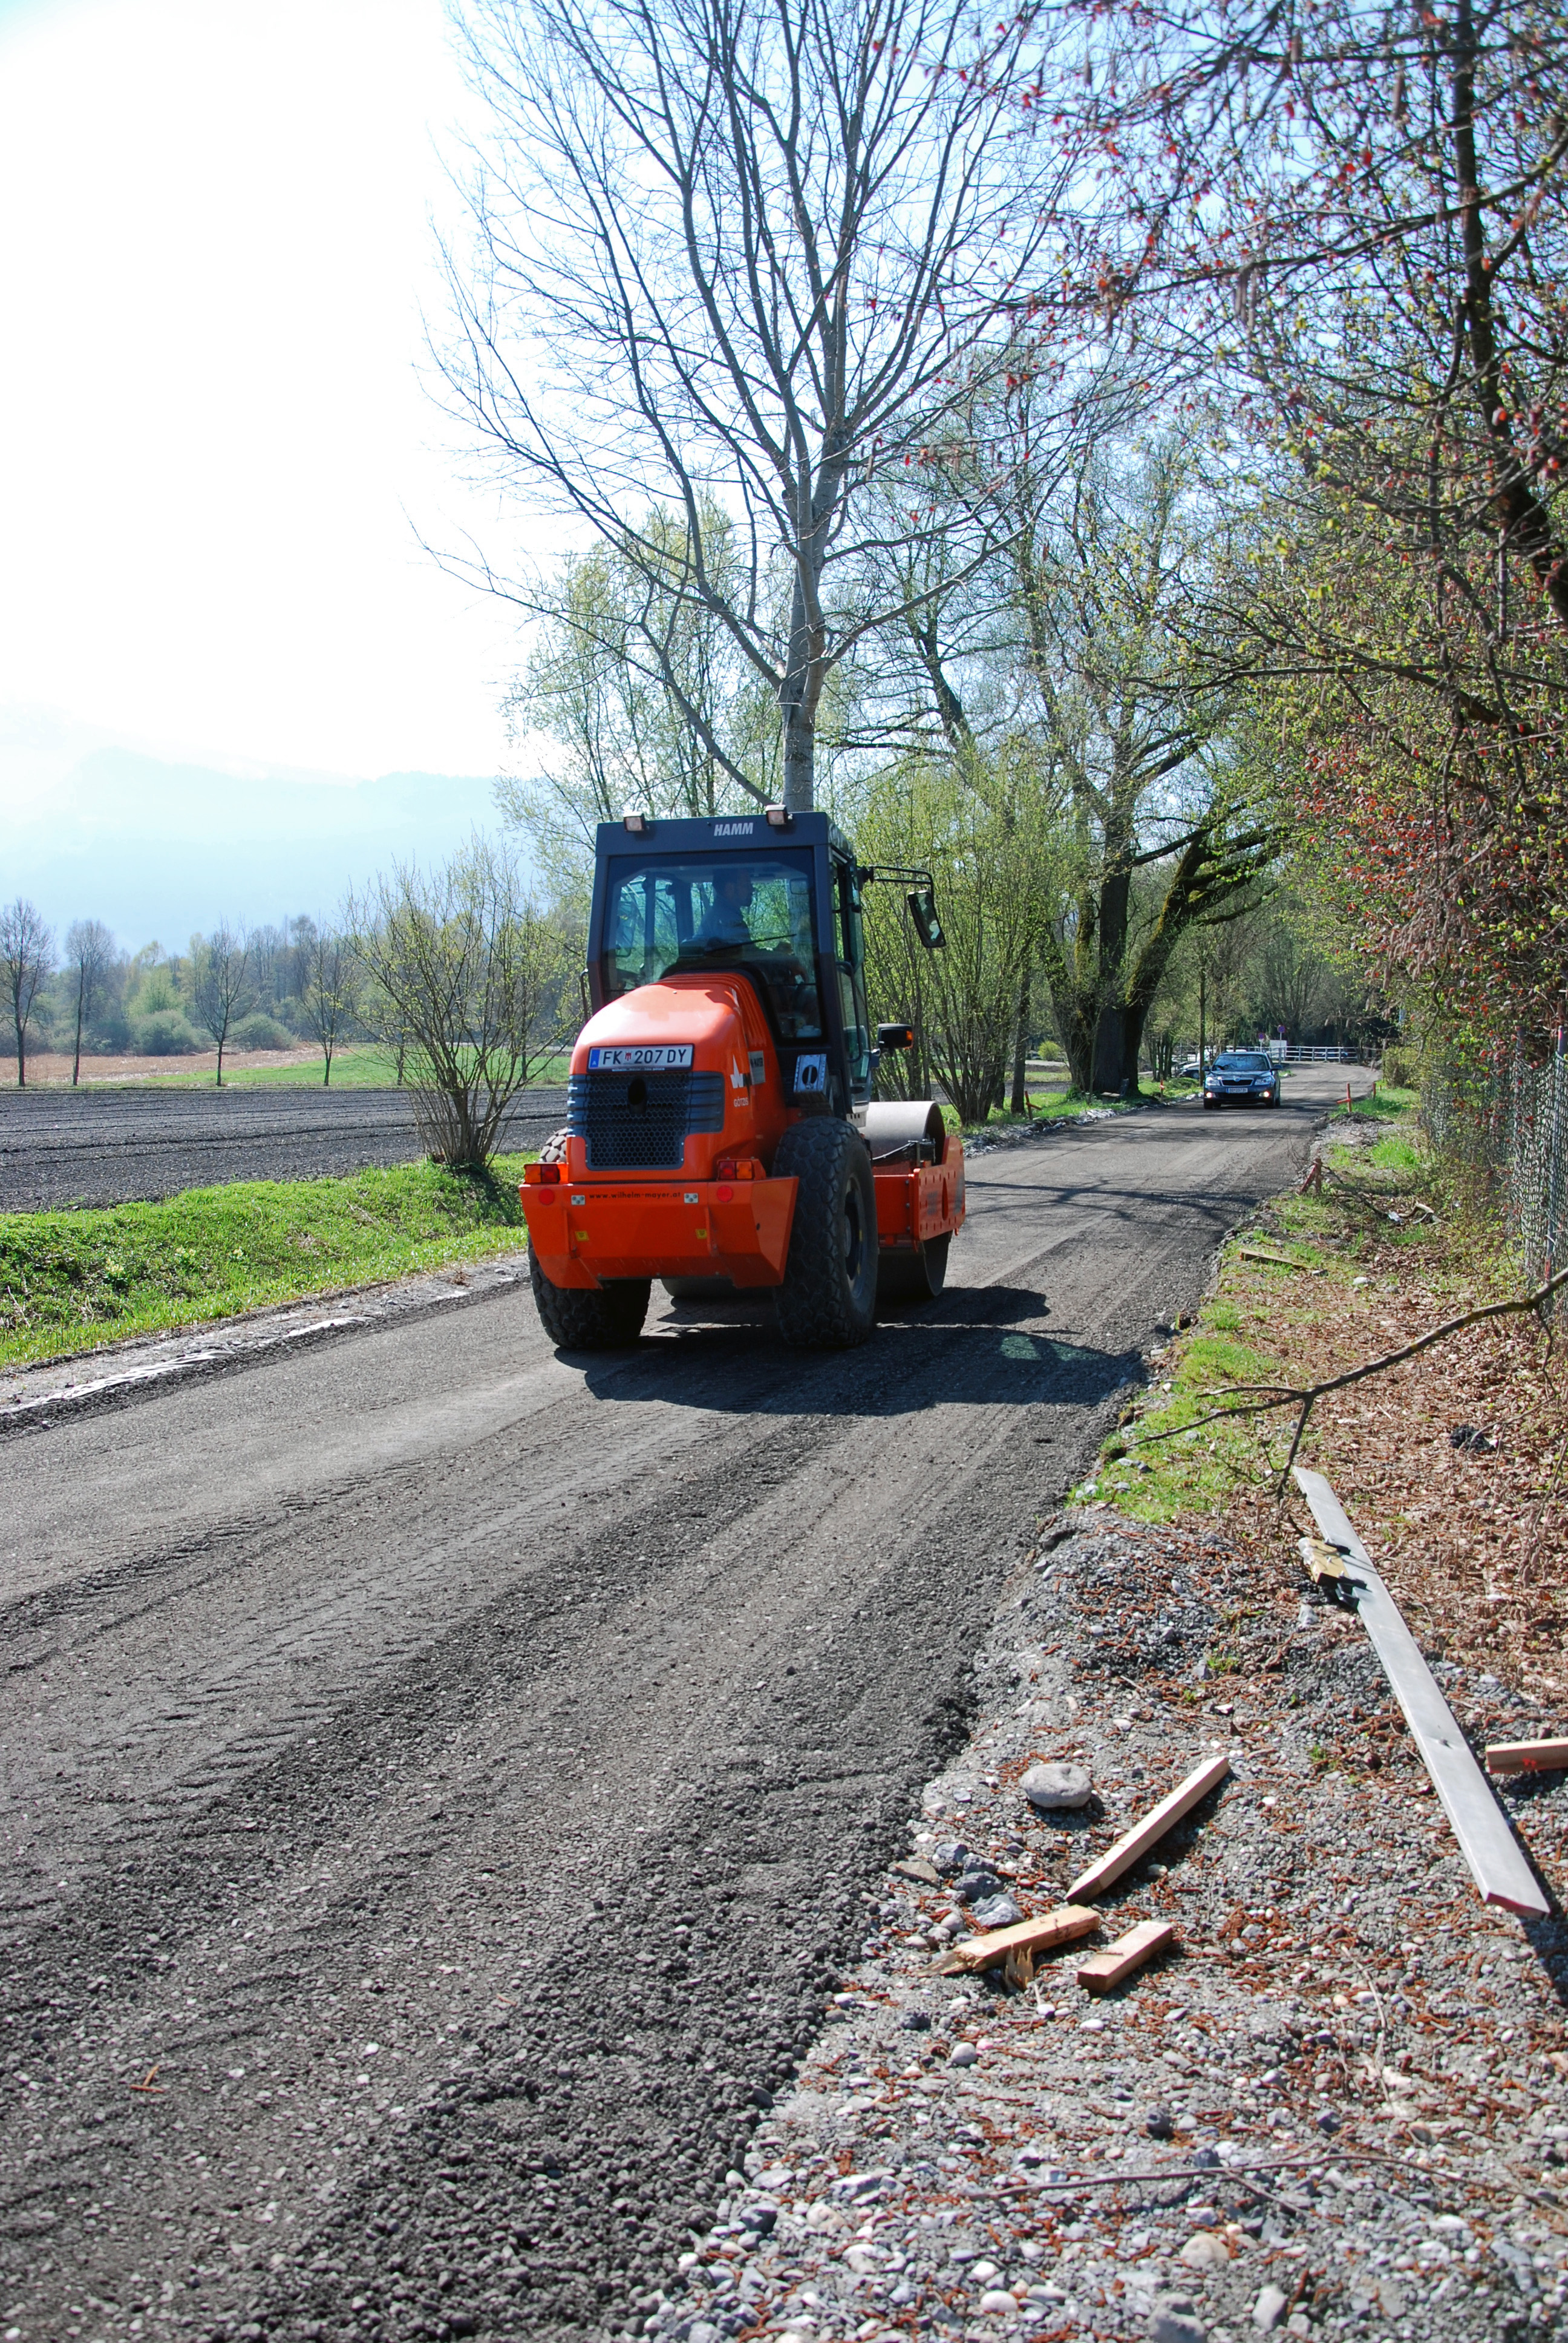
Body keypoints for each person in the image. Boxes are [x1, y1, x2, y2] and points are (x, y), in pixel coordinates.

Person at [691, 866, 756, 950]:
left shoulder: (716, 916)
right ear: (730, 888)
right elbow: (745, 955)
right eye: (746, 885)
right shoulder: (726, 921)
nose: (752, 890)